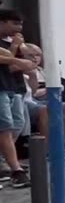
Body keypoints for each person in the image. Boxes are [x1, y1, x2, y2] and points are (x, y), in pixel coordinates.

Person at [17, 44, 65, 153]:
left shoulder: (42, 71)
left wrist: (34, 77)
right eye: (30, 55)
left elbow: (34, 91)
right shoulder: (19, 70)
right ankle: (47, 147)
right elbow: (33, 93)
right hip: (27, 101)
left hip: (37, 98)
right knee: (45, 109)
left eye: (38, 55)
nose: (35, 58)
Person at [0, 10, 34, 187]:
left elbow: (27, 62)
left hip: (11, 88)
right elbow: (11, 62)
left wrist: (23, 53)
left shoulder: (12, 42)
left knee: (16, 124)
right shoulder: (8, 44)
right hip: (4, 87)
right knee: (5, 127)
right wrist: (16, 58)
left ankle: (7, 161)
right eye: (15, 23)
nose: (19, 28)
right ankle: (15, 170)